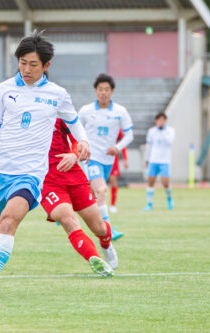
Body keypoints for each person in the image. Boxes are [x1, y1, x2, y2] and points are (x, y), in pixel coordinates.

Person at [0, 30, 90, 298]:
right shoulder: (4, 89)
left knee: (9, 221)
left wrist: (84, 141)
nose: (26, 69)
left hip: (30, 175)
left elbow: (74, 121)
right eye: (22, 63)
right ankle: (0, 232)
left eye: (33, 64)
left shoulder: (57, 94)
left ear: (46, 66)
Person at [40, 118, 117, 277]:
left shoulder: (60, 118)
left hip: (73, 175)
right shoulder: (23, 118)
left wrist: (74, 154)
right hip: (47, 180)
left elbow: (77, 141)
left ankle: (106, 243)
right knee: (68, 220)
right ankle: (95, 259)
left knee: (99, 227)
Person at [79, 74, 134, 240]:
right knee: (101, 191)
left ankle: (65, 209)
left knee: (90, 195)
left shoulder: (120, 111)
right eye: (100, 89)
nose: (103, 93)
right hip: (91, 158)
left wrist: (117, 148)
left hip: (108, 160)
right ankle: (108, 229)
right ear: (95, 91)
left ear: (112, 91)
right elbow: (74, 129)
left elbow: (129, 135)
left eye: (107, 90)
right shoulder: (86, 110)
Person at [143, 112, 175, 211]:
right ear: (156, 120)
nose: (160, 122)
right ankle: (149, 204)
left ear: (165, 121)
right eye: (159, 120)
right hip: (153, 159)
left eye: (162, 120)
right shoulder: (151, 131)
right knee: (151, 181)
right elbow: (149, 146)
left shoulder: (170, 131)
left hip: (165, 160)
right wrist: (147, 159)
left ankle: (169, 198)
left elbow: (169, 141)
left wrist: (162, 131)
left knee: (165, 182)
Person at [109, 129, 128, 214]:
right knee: (96, 182)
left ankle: (112, 205)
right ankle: (97, 205)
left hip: (112, 158)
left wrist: (125, 159)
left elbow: (122, 143)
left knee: (113, 180)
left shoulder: (116, 126)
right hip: (98, 157)